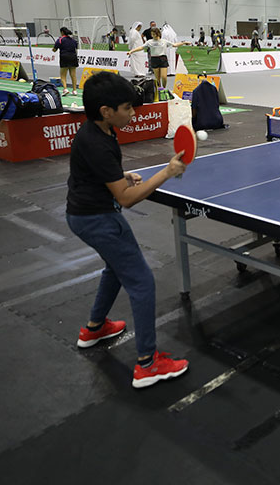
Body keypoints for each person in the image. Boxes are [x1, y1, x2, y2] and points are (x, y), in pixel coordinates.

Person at [67, 72, 189, 389]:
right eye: (127, 108)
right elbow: (127, 199)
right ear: (107, 111)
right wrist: (166, 171)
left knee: (115, 268)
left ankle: (94, 328)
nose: (133, 113)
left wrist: (120, 175)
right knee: (142, 282)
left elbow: (104, 177)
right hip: (98, 219)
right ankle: (148, 364)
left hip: (83, 213)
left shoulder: (97, 129)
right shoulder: (98, 143)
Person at [53, 27, 79, 96]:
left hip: (64, 57)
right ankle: (74, 90)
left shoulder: (60, 40)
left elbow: (54, 49)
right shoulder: (73, 40)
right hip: (73, 57)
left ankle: (65, 89)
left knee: (63, 75)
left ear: (62, 32)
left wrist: (53, 49)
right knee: (73, 75)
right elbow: (76, 49)